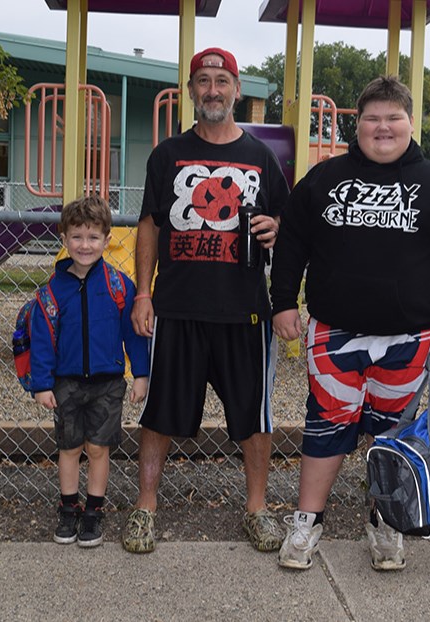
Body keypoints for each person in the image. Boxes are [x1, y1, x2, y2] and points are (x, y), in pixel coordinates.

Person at [270, 76, 430, 570]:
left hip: (411, 338)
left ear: (410, 123)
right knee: (325, 426)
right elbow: (293, 241)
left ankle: (386, 522)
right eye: (372, 118)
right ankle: (307, 523)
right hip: (334, 333)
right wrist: (282, 302)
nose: (382, 127)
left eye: (393, 117)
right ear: (356, 124)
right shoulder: (325, 179)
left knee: (393, 436)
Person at [122, 47, 289, 554]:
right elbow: (149, 225)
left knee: (253, 419)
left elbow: (290, 225)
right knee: (159, 415)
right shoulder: (167, 155)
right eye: (203, 81)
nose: (213, 90)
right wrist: (144, 293)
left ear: (237, 90)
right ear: (191, 91)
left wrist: (276, 227)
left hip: (246, 310)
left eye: (222, 80)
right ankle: (145, 508)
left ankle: (257, 510)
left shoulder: (262, 158)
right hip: (178, 307)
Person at [30, 195, 150, 548]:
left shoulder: (119, 287)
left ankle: (93, 512)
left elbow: (134, 334)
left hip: (108, 384)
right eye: (77, 236)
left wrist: (140, 374)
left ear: (107, 240)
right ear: (63, 238)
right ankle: (69, 508)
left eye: (93, 237)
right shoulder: (51, 292)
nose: (85, 245)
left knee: (98, 449)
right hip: (65, 384)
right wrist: (41, 384)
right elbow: (41, 341)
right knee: (69, 449)